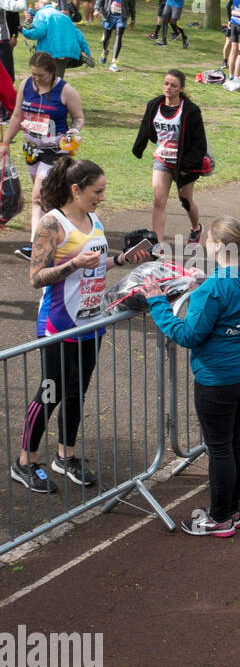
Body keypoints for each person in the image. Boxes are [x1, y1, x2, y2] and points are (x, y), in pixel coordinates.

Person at [10, 156, 150, 494]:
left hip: (91, 322)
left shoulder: (93, 218)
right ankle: (24, 461)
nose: (102, 197)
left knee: (76, 392)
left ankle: (65, 455)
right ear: (76, 189)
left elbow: (98, 266)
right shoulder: (52, 224)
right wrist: (72, 264)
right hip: (59, 325)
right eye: (97, 191)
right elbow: (35, 278)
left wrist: (123, 259)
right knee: (49, 394)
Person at [142, 217, 240, 537]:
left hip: (219, 378)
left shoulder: (215, 288)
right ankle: (232, 510)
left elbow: (188, 335)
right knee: (237, 440)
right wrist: (204, 284)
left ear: (214, 246)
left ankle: (219, 517)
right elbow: (229, 298)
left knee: (219, 448)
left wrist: (158, 302)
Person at [2, 52, 85, 260]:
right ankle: (68, 235)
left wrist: (73, 132)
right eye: (34, 74)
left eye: (41, 75)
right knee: (48, 201)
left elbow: (78, 118)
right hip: (32, 150)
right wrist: (5, 142)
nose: (37, 79)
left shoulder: (65, 90)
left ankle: (35, 246)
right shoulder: (26, 85)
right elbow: (17, 115)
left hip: (56, 151)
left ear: (52, 72)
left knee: (37, 196)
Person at [132, 69, 207, 246]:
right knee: (159, 200)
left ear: (181, 88)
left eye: (173, 85)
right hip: (162, 160)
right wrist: (140, 147)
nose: (168, 88)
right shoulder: (154, 106)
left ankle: (196, 228)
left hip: (184, 164)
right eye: (166, 84)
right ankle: (157, 244)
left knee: (185, 200)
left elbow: (199, 142)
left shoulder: (190, 111)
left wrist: (187, 166)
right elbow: (146, 127)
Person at [22, 0, 92, 77]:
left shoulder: (41, 14)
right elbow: (79, 36)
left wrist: (25, 29)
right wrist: (87, 53)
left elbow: (38, 32)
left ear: (42, 2)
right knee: (57, 82)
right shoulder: (64, 16)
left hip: (49, 53)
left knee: (46, 83)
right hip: (65, 54)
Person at [94, 0, 133, 71]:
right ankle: (105, 50)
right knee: (107, 38)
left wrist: (133, 20)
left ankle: (114, 61)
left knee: (118, 36)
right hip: (109, 15)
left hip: (121, 17)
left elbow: (132, 6)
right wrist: (96, 9)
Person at [0, 0, 27, 83]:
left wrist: (14, 35)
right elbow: (20, 6)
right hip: (1, 42)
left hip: (5, 39)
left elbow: (15, 20)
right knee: (6, 78)